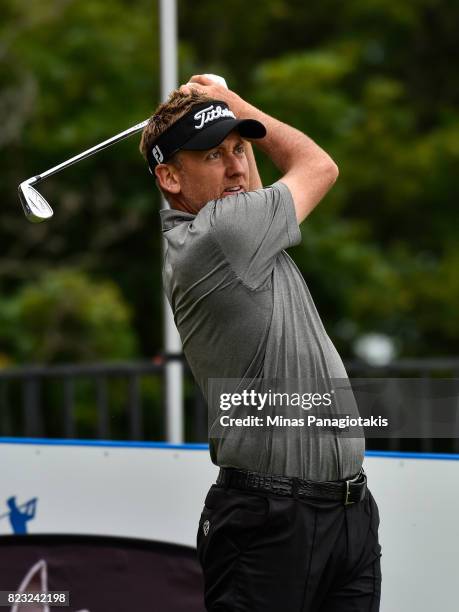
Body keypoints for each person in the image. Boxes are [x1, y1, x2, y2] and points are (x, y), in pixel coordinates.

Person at [140, 75, 381, 611]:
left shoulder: (251, 235)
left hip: (347, 513)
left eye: (241, 148)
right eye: (211, 155)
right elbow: (321, 166)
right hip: (270, 521)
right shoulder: (221, 234)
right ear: (169, 176)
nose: (236, 167)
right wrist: (238, 103)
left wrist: (226, 110)